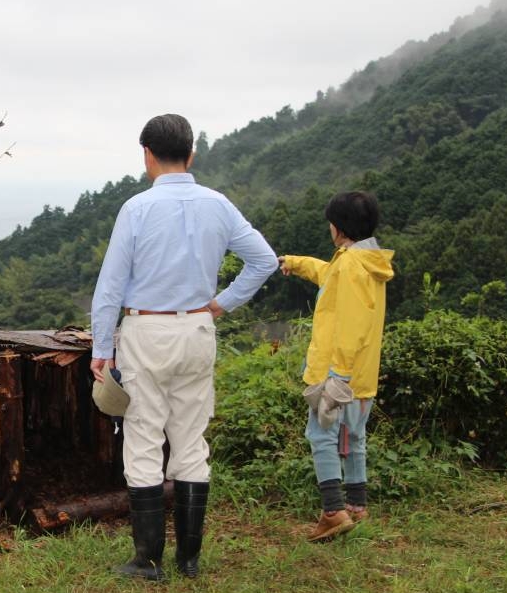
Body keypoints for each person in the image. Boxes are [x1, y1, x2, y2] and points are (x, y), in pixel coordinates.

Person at [90, 113, 278, 580]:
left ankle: (147, 560)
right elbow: (265, 261)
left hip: (146, 333)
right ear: (191, 154)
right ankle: (189, 561)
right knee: (191, 440)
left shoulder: (136, 209)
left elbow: (110, 287)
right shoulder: (218, 205)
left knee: (144, 438)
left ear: (147, 156)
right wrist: (222, 304)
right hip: (197, 330)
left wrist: (101, 347)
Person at [278, 190, 394, 542]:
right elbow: (328, 274)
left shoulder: (350, 265)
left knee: (321, 435)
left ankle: (333, 512)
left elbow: (351, 324)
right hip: (363, 375)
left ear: (338, 227)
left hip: (338, 374)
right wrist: (295, 262)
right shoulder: (365, 262)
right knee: (353, 437)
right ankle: (357, 506)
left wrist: (336, 377)